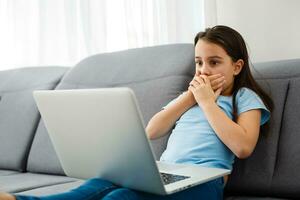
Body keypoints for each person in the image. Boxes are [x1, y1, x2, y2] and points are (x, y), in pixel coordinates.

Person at [0, 25, 273, 200]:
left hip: (206, 183)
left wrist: (208, 104)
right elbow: (153, 131)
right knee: (101, 183)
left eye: (214, 62)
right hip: (167, 172)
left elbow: (242, 147)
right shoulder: (190, 98)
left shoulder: (243, 98)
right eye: (199, 62)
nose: (203, 70)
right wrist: (190, 98)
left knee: (118, 198)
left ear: (236, 67)